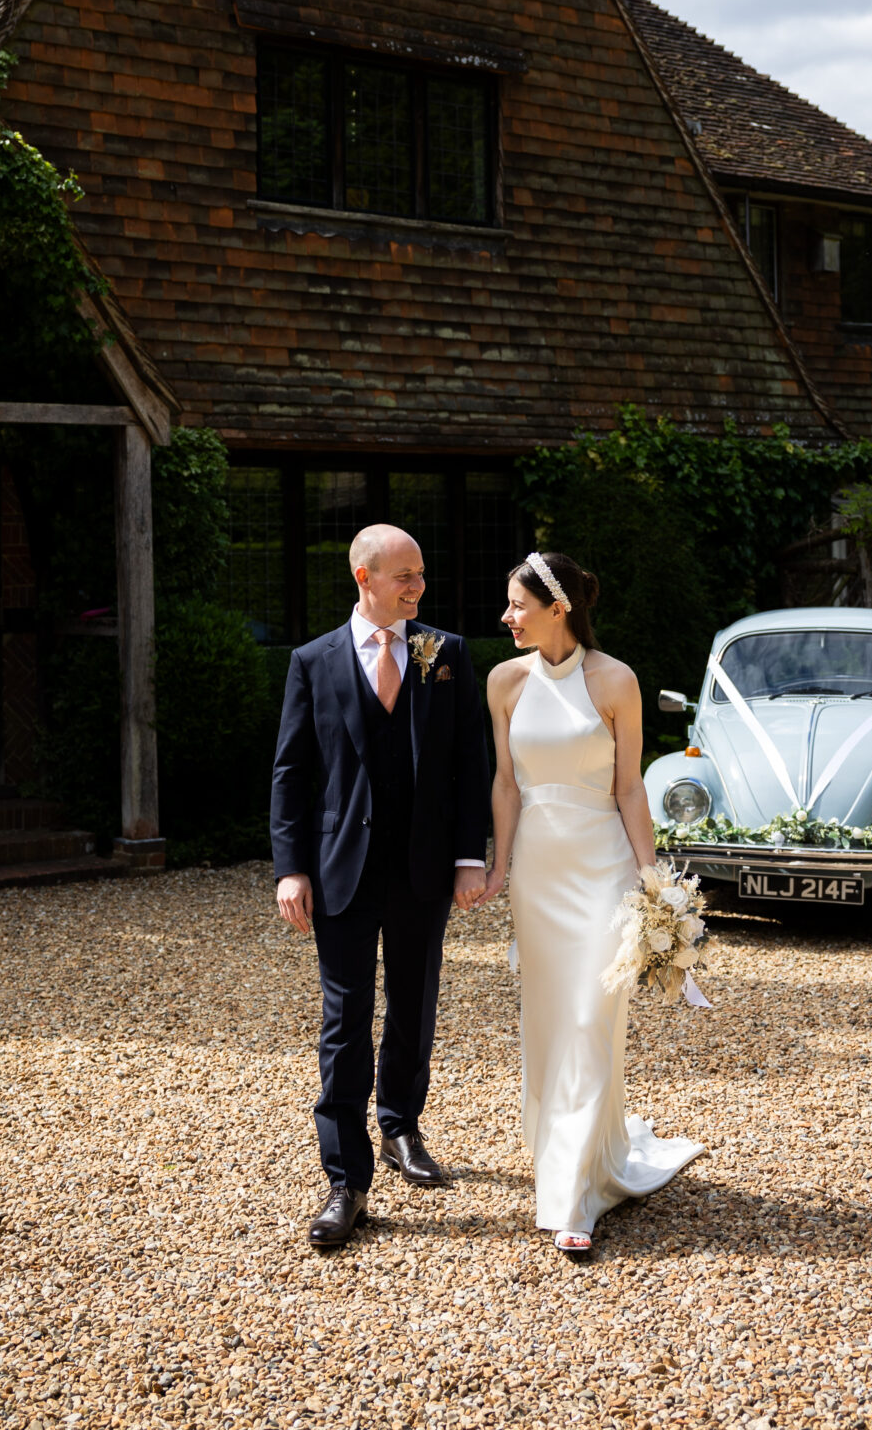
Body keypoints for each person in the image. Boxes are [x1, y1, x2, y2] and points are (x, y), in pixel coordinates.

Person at [476, 550, 704, 1256]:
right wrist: (496, 869)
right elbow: (506, 786)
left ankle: (575, 1197)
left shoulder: (615, 681)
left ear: (558, 607)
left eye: (515, 605)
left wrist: (653, 884)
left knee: (587, 1016)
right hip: (539, 879)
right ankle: (571, 1156)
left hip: (602, 869)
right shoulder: (503, 682)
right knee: (549, 1022)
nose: (505, 617)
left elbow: (630, 788)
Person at [271, 524, 492, 1249]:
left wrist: (468, 857)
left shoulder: (442, 653)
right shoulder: (313, 661)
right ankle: (347, 1179)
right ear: (363, 577)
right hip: (340, 868)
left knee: (413, 1002)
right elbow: (293, 772)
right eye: (404, 576)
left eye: (421, 575)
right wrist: (289, 867)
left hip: (424, 866)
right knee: (344, 1019)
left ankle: (400, 1127)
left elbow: (467, 764)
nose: (417, 587)